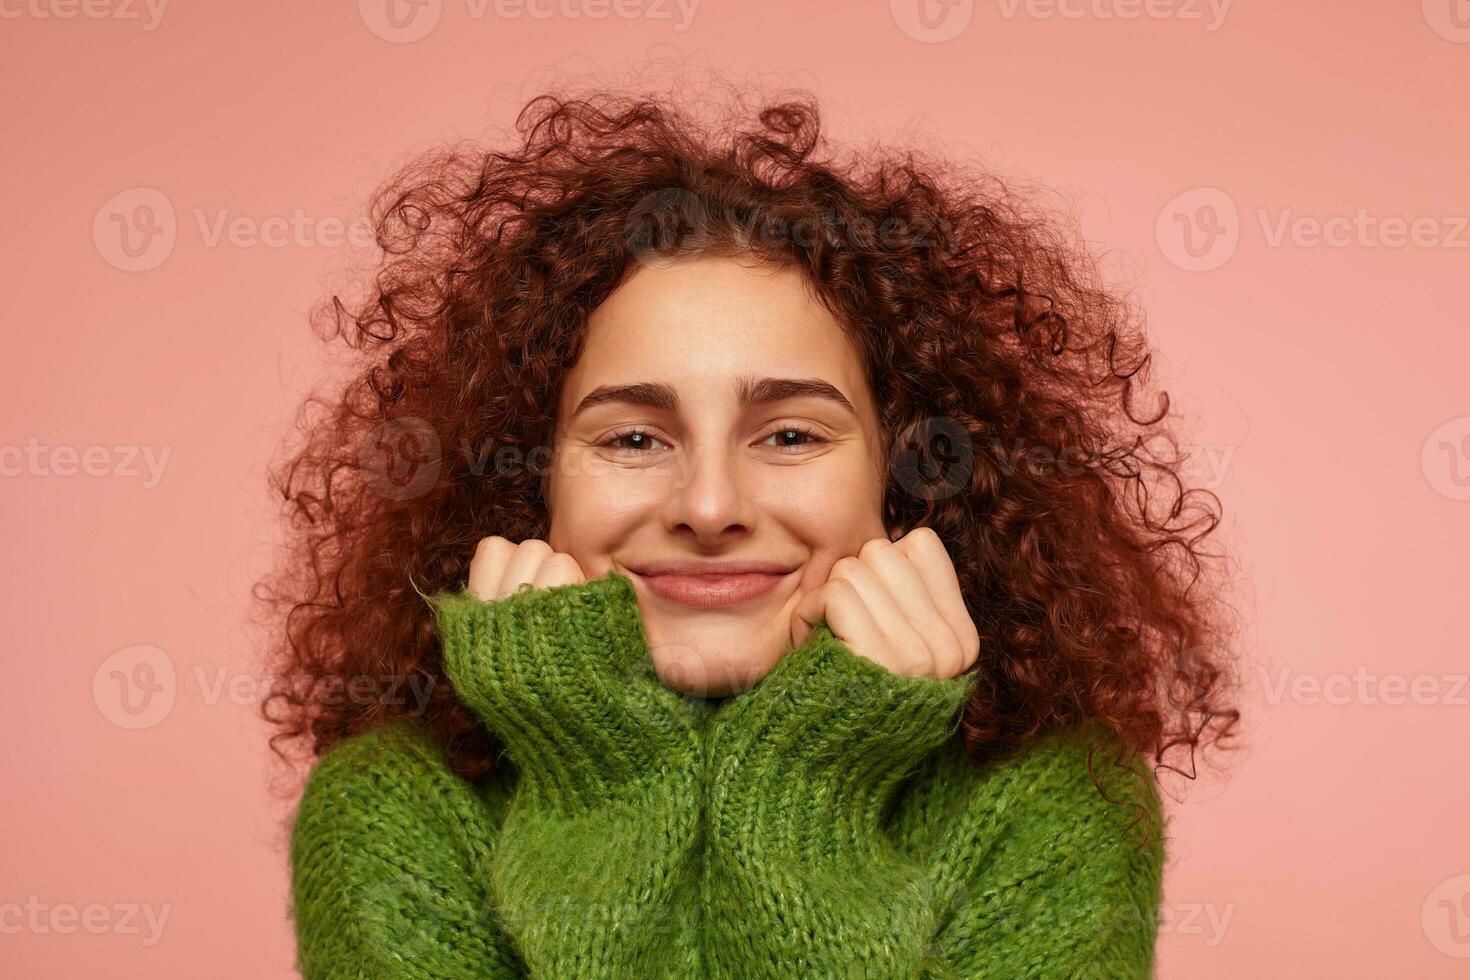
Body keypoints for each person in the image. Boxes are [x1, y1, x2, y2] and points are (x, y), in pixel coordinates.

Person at [258, 82, 1241, 978]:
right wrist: (606, 776)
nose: (712, 504)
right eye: (636, 435)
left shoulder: (1052, 803)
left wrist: (802, 785)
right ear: (527, 473)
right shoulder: (390, 809)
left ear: (905, 473)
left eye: (789, 432)